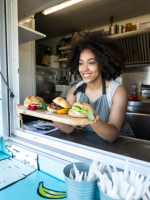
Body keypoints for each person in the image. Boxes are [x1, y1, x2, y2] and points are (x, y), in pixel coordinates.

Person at [53, 33, 134, 142]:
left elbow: (113, 135)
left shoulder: (117, 91)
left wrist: (92, 119)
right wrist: (53, 115)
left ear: (102, 64)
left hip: (122, 143)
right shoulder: (74, 91)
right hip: (92, 140)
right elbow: (69, 128)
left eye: (91, 62)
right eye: (81, 63)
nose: (84, 69)